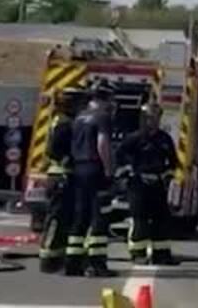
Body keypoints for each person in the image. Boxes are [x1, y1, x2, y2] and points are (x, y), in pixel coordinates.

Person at [118, 101, 179, 266]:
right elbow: (120, 157)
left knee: (161, 219)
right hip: (138, 185)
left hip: (157, 185)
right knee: (140, 220)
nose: (154, 121)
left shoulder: (164, 139)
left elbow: (173, 162)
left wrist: (167, 176)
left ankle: (162, 255)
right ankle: (138, 253)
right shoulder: (134, 139)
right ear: (144, 118)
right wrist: (130, 173)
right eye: (150, 117)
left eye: (157, 117)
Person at [65, 83, 116, 278]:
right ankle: (97, 264)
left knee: (81, 217)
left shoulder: (79, 117)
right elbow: (102, 144)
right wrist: (108, 169)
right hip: (95, 169)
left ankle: (73, 263)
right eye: (110, 99)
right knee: (99, 217)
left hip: (79, 169)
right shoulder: (103, 117)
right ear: (104, 99)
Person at [38, 85, 87, 274]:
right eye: (80, 102)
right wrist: (69, 163)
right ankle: (48, 259)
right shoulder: (64, 123)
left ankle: (58, 259)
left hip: (66, 178)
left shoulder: (67, 120)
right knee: (56, 220)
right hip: (61, 178)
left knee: (66, 220)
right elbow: (53, 150)